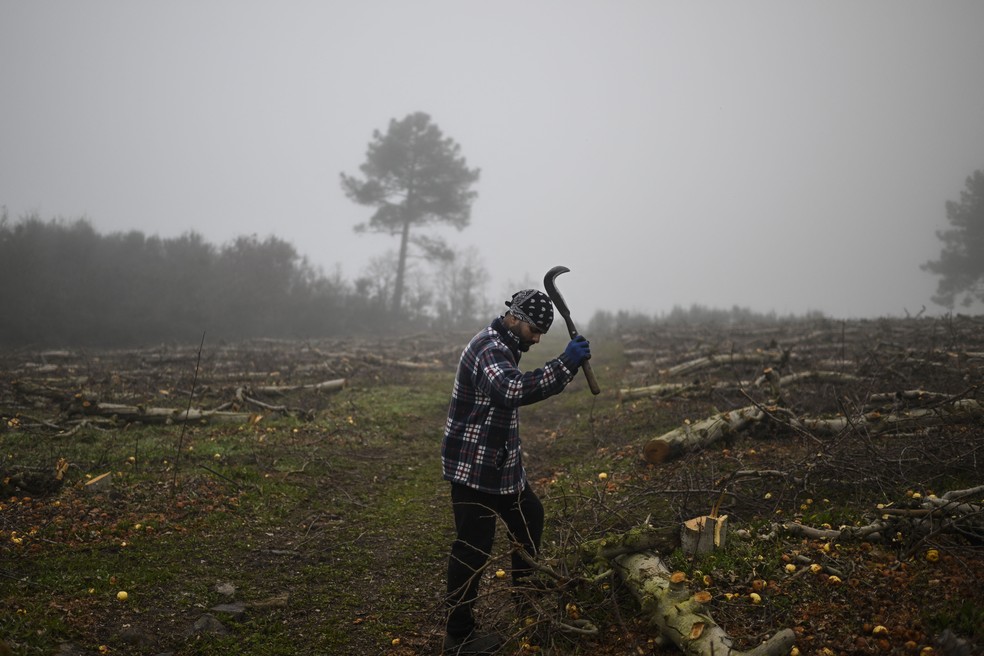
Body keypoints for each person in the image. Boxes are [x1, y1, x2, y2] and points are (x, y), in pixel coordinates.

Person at [441, 289, 592, 655]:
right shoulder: (488, 348)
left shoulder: (506, 346)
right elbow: (511, 389)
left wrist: (564, 367)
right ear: (516, 317)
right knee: (473, 548)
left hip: (501, 466)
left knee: (530, 517)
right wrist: (565, 364)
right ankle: (458, 637)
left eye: (543, 331)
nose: (538, 338)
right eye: (535, 329)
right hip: (473, 467)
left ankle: (528, 609)